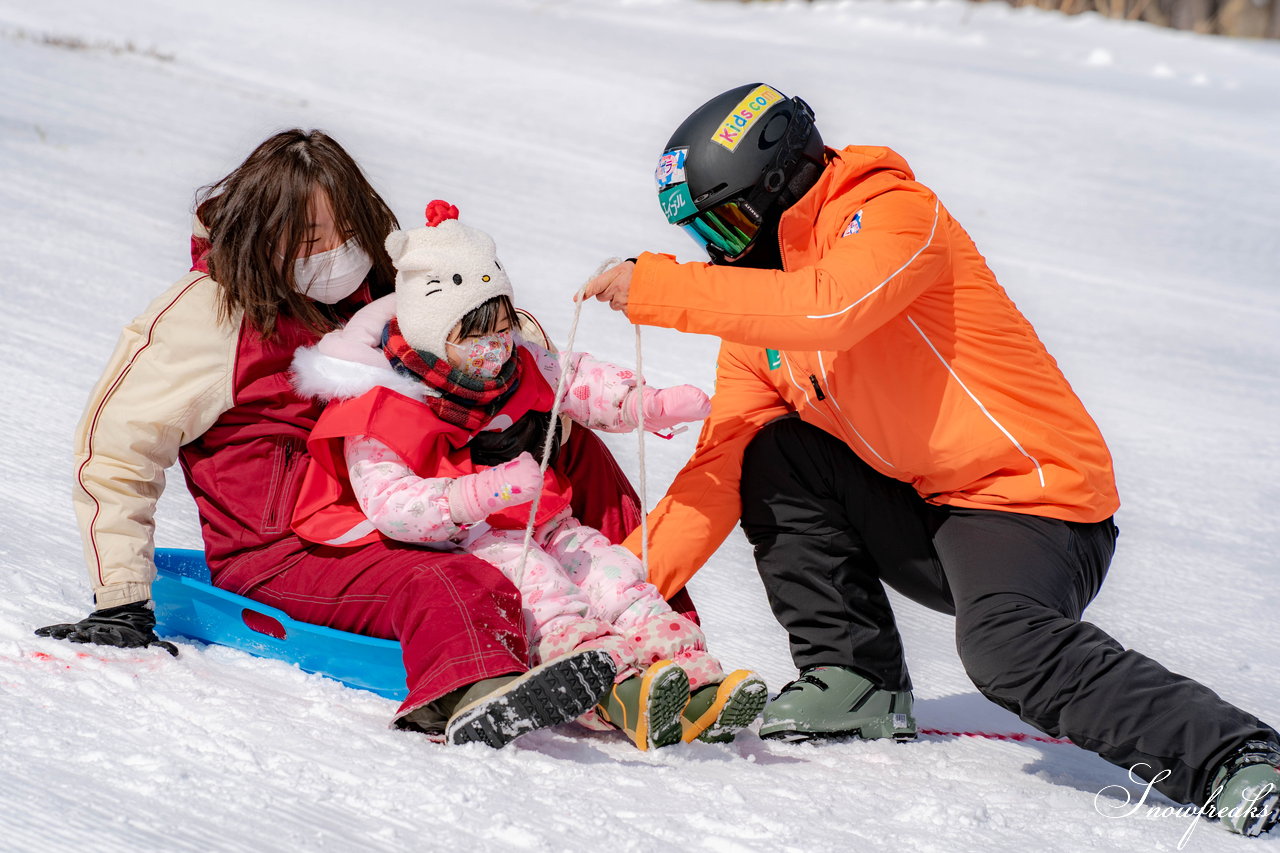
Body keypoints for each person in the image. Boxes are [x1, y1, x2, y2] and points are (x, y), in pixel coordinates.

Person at [582, 83, 1279, 834]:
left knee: (1005, 648)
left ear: (783, 179)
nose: (722, 250)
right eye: (704, 238)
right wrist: (610, 602)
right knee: (767, 450)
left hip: (1034, 504)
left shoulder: (893, 215)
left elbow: (834, 306)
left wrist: (659, 285)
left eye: (729, 221)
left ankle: (1236, 754)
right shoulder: (759, 316)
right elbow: (716, 472)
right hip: (927, 509)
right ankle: (856, 680)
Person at [35, 129, 627, 750]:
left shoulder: (386, 291)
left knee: (579, 456)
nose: (336, 253)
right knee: (456, 583)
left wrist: (528, 414)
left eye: (346, 230)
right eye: (311, 240)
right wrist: (121, 600)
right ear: (262, 234)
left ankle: (656, 634)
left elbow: (500, 335)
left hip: (420, 511)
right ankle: (468, 695)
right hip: (290, 550)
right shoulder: (210, 316)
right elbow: (118, 449)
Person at [288, 200, 767, 750]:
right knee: (545, 591)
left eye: (501, 327)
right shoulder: (381, 408)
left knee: (614, 574)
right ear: (429, 332)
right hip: (472, 543)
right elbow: (392, 505)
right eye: (473, 334)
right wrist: (479, 493)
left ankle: (689, 676)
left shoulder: (520, 362)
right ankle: (610, 689)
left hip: (547, 520)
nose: (494, 347)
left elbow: (582, 383)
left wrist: (651, 403)